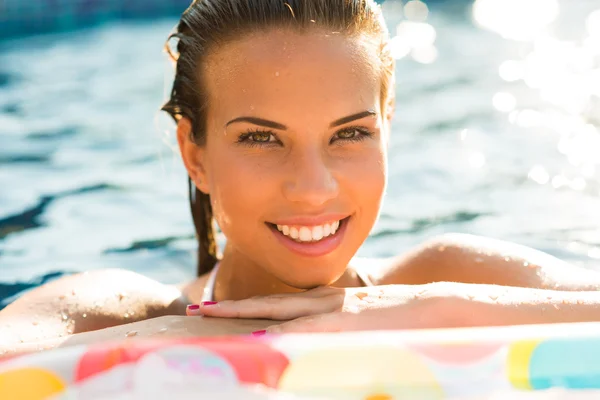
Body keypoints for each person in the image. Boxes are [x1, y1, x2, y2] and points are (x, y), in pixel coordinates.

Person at [2, 0, 600, 357]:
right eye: (261, 138)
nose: (313, 188)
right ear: (195, 152)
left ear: (388, 125)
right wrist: (177, 336)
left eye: (350, 134)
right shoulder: (116, 312)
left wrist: (432, 308)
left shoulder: (451, 278)